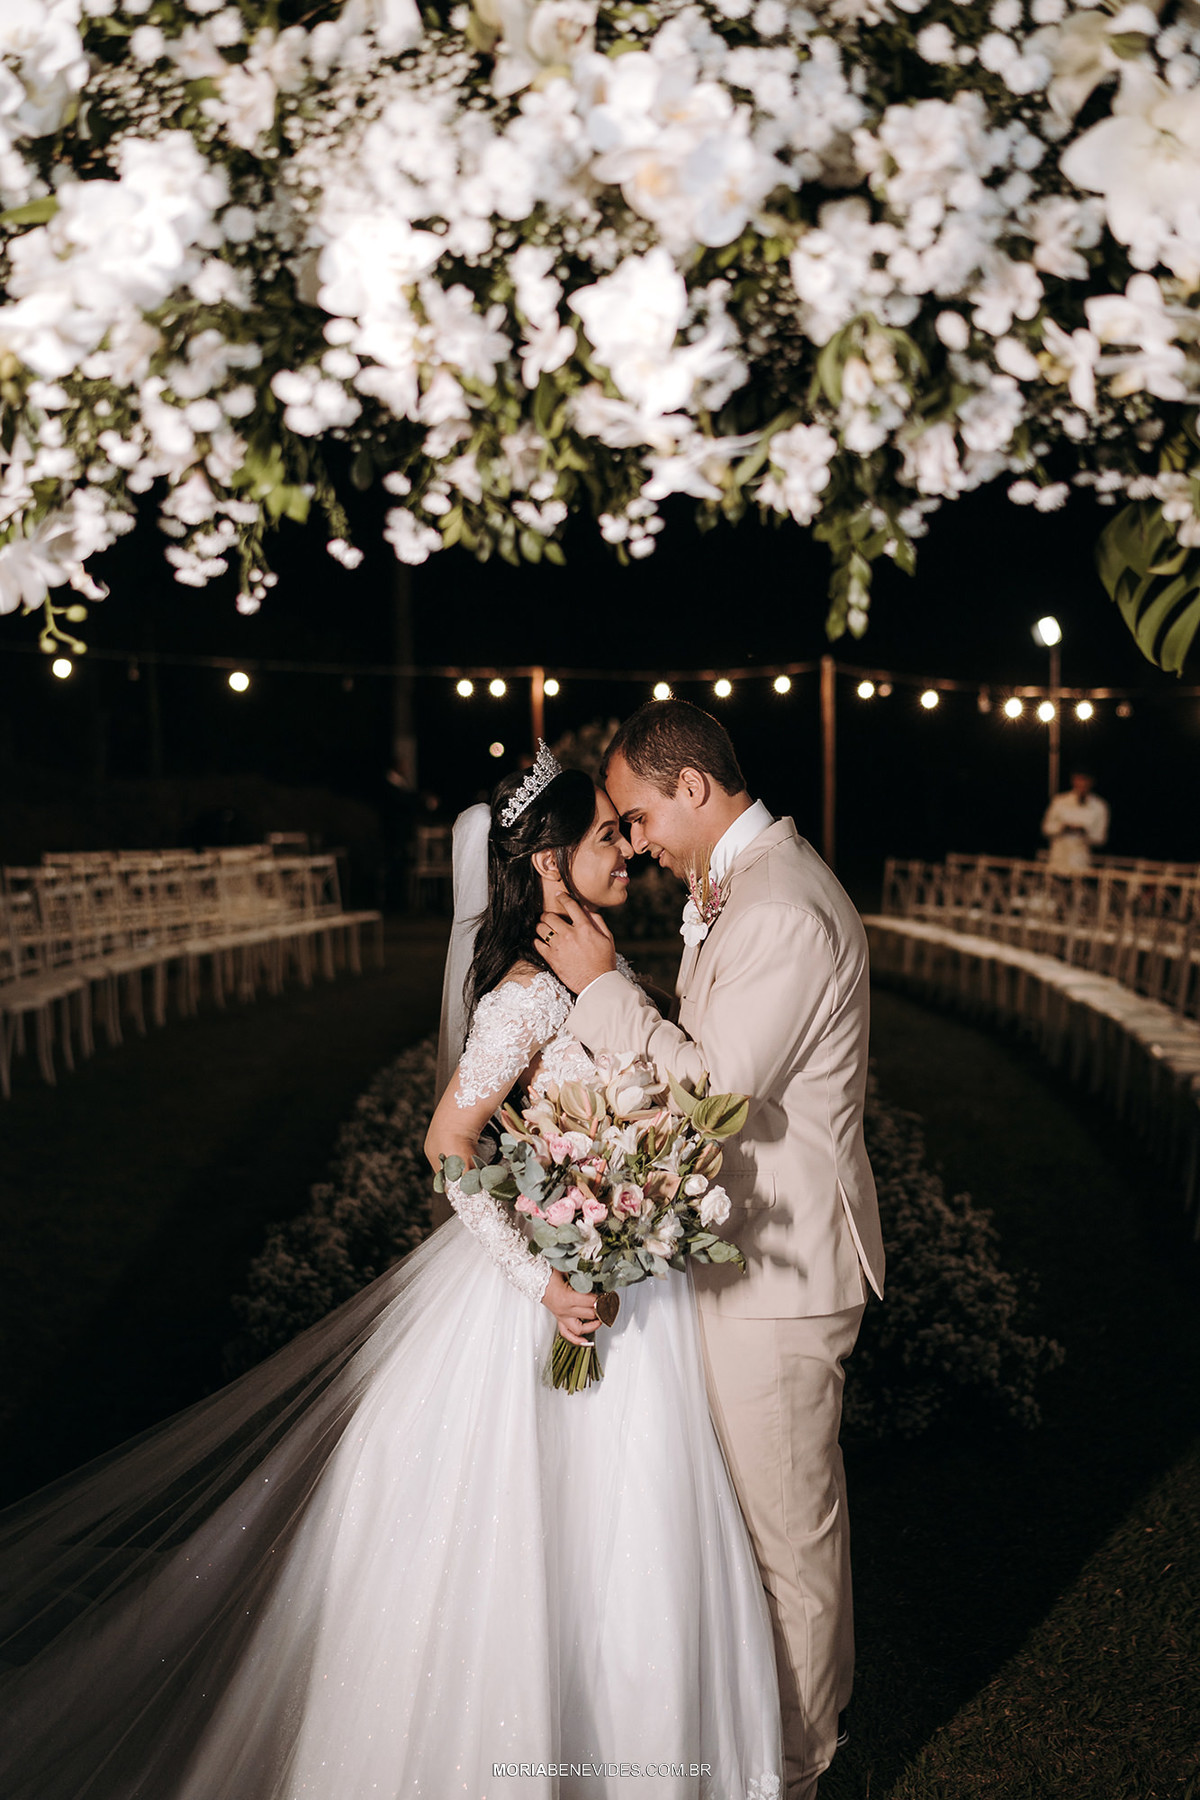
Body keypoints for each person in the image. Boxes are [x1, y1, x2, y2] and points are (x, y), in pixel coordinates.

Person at [0, 745, 781, 1800]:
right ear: (548, 862)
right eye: (608, 837)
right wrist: (544, 1280)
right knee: (536, 1547)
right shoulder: (525, 997)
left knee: (638, 1537)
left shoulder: (601, 963)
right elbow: (447, 1146)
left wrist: (637, 1198)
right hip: (552, 1293)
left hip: (631, 1286)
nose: (629, 854)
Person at [536, 700, 885, 1800]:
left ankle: (797, 1767)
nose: (636, 843)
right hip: (740, 1255)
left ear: (692, 787)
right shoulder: (744, 889)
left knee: (788, 1542)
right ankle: (755, 1744)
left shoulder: (780, 909)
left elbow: (716, 1096)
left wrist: (605, 991)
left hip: (780, 1272)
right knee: (752, 1531)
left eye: (639, 817)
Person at [1042, 769, 1109, 871]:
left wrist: (1084, 831)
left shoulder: (1099, 806)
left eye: (1085, 780)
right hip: (1057, 862)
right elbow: (1046, 828)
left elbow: (1100, 838)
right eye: (1079, 779)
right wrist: (1063, 828)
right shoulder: (1059, 802)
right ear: (1073, 780)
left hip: (1081, 865)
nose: (1082, 783)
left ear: (1091, 782)